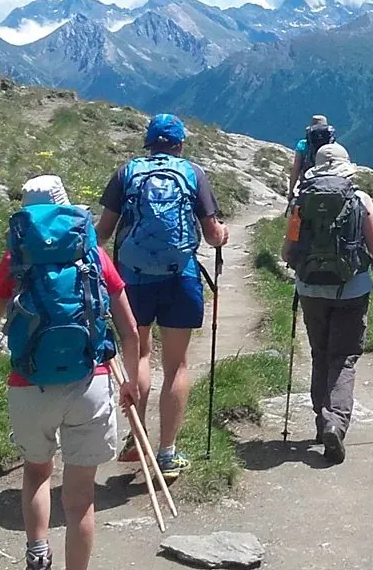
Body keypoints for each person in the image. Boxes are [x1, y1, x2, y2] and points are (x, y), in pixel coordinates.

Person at [0, 175, 137, 570]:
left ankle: (36, 551)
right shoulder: (92, 253)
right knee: (81, 499)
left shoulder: (16, 257)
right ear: (66, 207)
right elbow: (130, 328)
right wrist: (131, 381)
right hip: (91, 379)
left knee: (37, 472)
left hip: (29, 382)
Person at [97, 114, 229, 479]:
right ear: (180, 144)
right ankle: (167, 453)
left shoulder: (127, 173)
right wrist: (223, 235)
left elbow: (103, 233)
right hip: (180, 277)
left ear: (149, 142)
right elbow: (212, 235)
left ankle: (136, 440)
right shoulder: (192, 173)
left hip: (133, 281)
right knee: (177, 365)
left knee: (139, 353)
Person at [281, 143, 373, 463]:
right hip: (353, 289)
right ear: (345, 168)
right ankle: (335, 422)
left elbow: (287, 253)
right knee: (343, 358)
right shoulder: (360, 199)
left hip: (311, 289)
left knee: (320, 354)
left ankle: (321, 420)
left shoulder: (301, 202)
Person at [287, 114, 337, 192]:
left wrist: (291, 191)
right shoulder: (333, 145)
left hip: (308, 183)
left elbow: (296, 169)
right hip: (330, 184)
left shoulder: (302, 144)